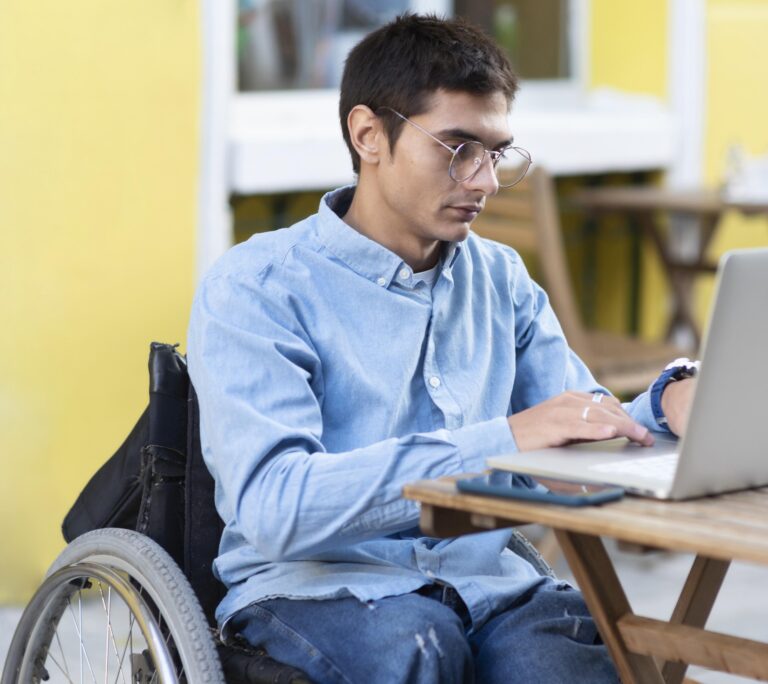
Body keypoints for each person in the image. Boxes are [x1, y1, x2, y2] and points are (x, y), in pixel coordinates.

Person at [188, 13, 695, 683]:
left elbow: (572, 431)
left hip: (490, 586)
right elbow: (276, 509)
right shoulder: (256, 287)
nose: (484, 181)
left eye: (496, 151)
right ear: (368, 135)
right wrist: (503, 440)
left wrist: (666, 410)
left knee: (583, 660)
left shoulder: (501, 277)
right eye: (459, 147)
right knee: (419, 647)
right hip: (316, 589)